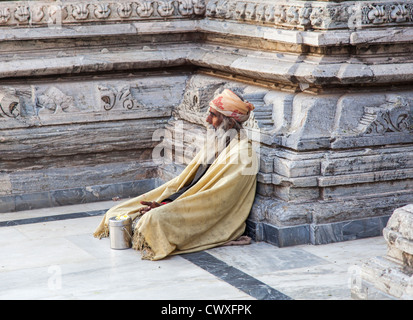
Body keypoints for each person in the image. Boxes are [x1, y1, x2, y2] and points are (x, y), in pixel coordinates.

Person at [94, 89, 258, 260]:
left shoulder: (242, 154)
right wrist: (166, 201)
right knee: (118, 211)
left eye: (213, 115)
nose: (207, 120)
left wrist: (170, 207)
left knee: (152, 220)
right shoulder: (216, 143)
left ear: (229, 123)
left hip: (204, 212)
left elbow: (218, 200)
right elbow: (188, 183)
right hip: (184, 200)